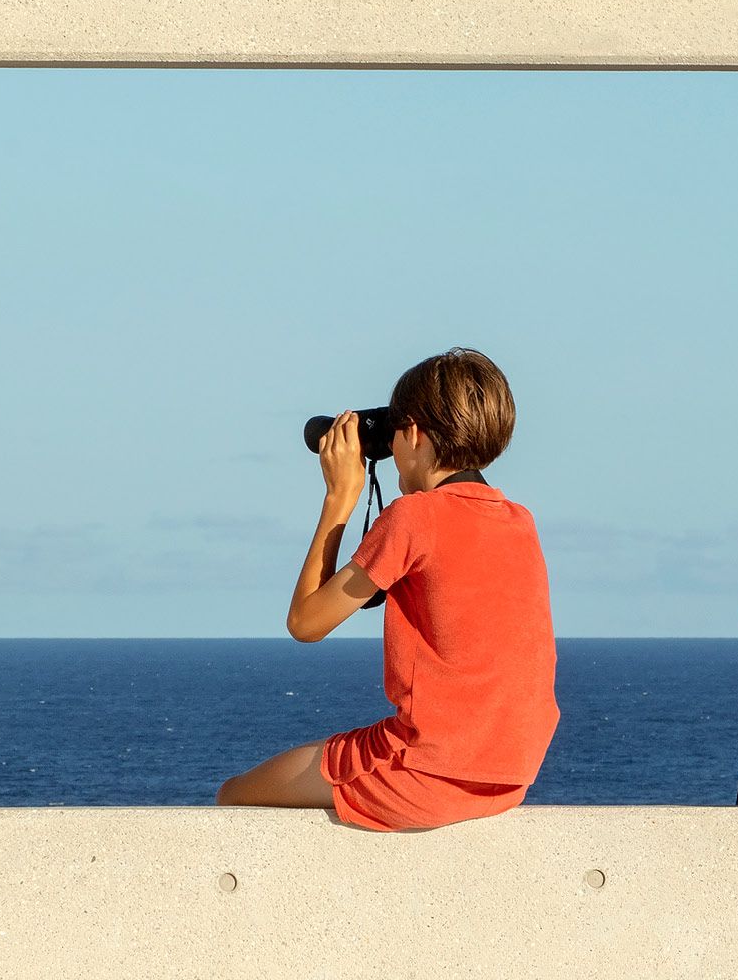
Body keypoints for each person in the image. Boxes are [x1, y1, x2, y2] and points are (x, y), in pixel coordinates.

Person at [217, 348, 559, 831]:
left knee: (234, 794)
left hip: (424, 772)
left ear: (414, 433)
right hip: (507, 779)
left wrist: (340, 495)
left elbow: (306, 623)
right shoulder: (518, 521)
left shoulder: (415, 517)